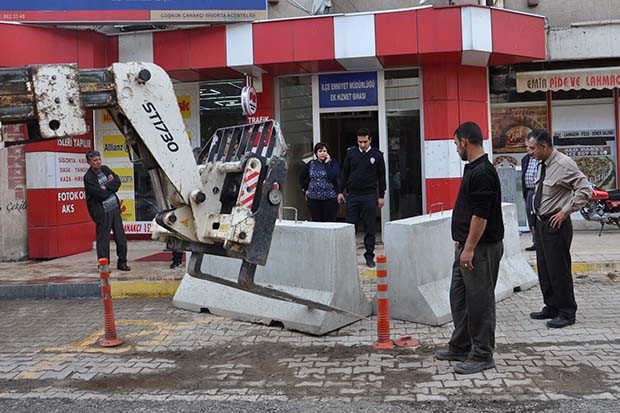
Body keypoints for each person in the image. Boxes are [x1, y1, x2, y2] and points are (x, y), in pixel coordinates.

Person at [434, 122, 504, 375]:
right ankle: (461, 345)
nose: (455, 149)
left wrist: (469, 247)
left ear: (465, 141)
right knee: (460, 297)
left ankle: (483, 354)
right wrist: (461, 240)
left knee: (480, 301)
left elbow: (481, 215)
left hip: (480, 249)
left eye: (455, 144)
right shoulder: (472, 168)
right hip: (467, 244)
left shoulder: (483, 172)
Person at [526, 129, 592, 329]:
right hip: (542, 223)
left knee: (559, 270)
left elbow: (584, 189)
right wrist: (535, 222)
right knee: (545, 270)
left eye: (531, 148)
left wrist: (565, 212)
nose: (529, 151)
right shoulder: (541, 163)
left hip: (557, 224)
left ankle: (566, 312)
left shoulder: (564, 164)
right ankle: (551, 306)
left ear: (544, 147)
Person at [337, 128, 386, 268]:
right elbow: (344, 173)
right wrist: (340, 191)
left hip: (369, 195)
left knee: (369, 227)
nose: (362, 144)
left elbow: (382, 176)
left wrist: (381, 195)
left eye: (365, 141)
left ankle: (369, 256)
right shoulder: (351, 153)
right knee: (350, 226)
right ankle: (348, 257)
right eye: (360, 142)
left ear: (370, 139)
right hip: (353, 195)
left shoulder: (377, 155)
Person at [83, 150, 130, 271]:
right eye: (95, 160)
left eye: (99, 159)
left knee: (120, 237)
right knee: (103, 240)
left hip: (114, 208)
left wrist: (107, 186)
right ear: (89, 162)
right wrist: (110, 186)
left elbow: (117, 181)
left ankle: (122, 262)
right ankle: (104, 265)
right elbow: (100, 194)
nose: (98, 162)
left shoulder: (105, 169)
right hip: (102, 212)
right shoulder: (88, 177)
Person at [299, 142, 340, 222]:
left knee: (329, 223)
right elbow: (301, 177)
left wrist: (327, 163)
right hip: (314, 200)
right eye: (320, 151)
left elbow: (334, 176)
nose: (323, 153)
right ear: (316, 153)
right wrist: (305, 189)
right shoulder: (311, 164)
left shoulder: (332, 163)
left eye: (325, 151)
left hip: (329, 199)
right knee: (317, 223)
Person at [521, 139, 538, 251]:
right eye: (526, 146)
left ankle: (542, 241)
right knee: (530, 217)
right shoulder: (525, 159)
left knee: (538, 216)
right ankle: (535, 241)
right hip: (529, 191)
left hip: (539, 191)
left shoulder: (540, 159)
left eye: (530, 147)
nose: (528, 149)